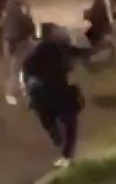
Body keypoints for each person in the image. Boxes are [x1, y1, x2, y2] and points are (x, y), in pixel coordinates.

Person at [22, 23, 84, 169]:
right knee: (69, 122)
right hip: (56, 91)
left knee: (53, 119)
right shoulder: (54, 48)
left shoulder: (40, 51)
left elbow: (27, 70)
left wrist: (28, 85)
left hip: (45, 94)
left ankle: (60, 144)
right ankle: (66, 154)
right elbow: (75, 55)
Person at [3, 0, 36, 105]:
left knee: (17, 67)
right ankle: (14, 92)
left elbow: (6, 22)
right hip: (20, 41)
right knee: (20, 67)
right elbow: (27, 22)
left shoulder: (8, 5)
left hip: (11, 41)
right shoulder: (19, 7)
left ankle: (21, 89)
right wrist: (28, 11)